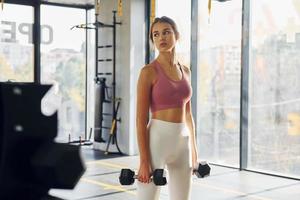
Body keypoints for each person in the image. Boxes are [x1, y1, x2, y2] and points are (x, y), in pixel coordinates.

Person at [136, 16, 199, 200]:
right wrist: (144, 160)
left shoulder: (186, 71)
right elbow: (140, 120)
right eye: (156, 35)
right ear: (153, 40)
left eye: (166, 32)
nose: (161, 38)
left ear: (176, 35)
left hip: (183, 143)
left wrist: (195, 151)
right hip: (157, 140)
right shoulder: (148, 72)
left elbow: (188, 114)